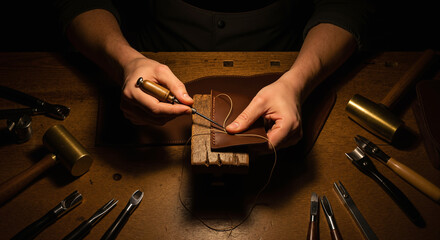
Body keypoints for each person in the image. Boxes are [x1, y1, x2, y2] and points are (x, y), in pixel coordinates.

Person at [54, 0, 374, 149]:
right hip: (150, 52)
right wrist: (125, 62)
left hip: (287, 57)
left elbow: (348, 6)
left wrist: (297, 82)